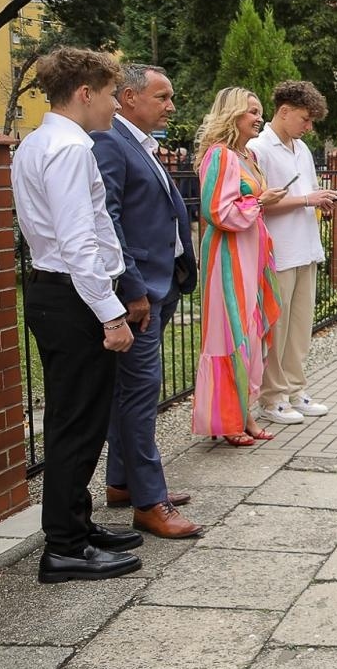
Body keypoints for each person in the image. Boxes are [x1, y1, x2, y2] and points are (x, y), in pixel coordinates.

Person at [12, 48, 146, 582]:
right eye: (111, 94)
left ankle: (76, 526)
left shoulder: (37, 142)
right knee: (79, 425)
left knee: (75, 420)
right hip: (74, 298)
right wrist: (111, 315)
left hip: (56, 293)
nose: (116, 104)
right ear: (85, 93)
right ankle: (65, 546)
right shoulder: (70, 149)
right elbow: (78, 243)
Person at [91, 63, 202, 538]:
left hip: (162, 283)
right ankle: (149, 502)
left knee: (131, 394)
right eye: (162, 97)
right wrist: (132, 288)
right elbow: (107, 221)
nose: (171, 106)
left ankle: (122, 482)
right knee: (139, 396)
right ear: (130, 97)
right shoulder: (110, 142)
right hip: (139, 292)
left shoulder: (140, 143)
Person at [191, 87, 286, 444]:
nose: (259, 118)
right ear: (232, 115)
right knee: (230, 332)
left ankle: (244, 413)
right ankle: (227, 419)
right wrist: (261, 201)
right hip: (228, 255)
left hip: (251, 252)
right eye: (252, 111)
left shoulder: (248, 156)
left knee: (249, 331)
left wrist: (261, 201)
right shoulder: (219, 155)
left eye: (260, 111)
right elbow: (217, 211)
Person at [248, 80, 337, 424]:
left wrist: (320, 200)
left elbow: (308, 191)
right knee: (278, 329)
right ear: (284, 111)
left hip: (305, 248)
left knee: (300, 328)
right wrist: (306, 200)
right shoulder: (259, 148)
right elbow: (259, 202)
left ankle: (295, 388)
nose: (309, 126)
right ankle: (272, 397)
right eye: (305, 118)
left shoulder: (301, 149)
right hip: (279, 251)